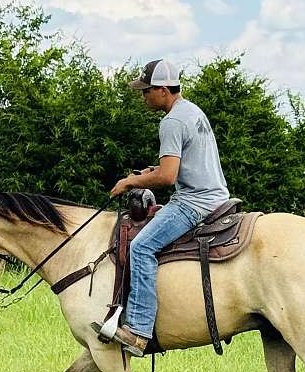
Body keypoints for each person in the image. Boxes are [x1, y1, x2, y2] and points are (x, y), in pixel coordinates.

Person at [95, 59, 230, 356]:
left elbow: (168, 177)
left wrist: (130, 182)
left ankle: (139, 331)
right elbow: (183, 164)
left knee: (141, 247)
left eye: (147, 90)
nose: (143, 96)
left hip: (194, 202)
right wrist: (150, 172)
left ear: (164, 90)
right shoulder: (191, 110)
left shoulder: (171, 122)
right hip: (215, 196)